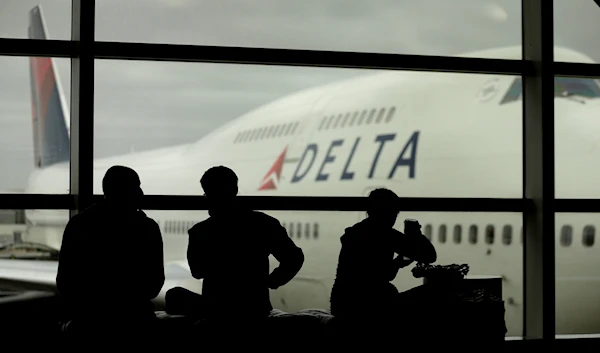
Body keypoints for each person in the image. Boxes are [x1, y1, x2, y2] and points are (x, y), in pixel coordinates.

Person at [179, 165, 304, 330]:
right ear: (235, 189)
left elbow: (197, 271)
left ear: (207, 194)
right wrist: (271, 281)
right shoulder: (263, 223)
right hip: (255, 309)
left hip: (217, 312)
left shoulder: (200, 231)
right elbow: (294, 258)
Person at [56, 165, 165, 342]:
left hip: (90, 322)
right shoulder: (147, 228)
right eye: (136, 187)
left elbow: (65, 283)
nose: (141, 193)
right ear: (123, 191)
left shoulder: (79, 224)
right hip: (136, 321)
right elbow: (154, 285)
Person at [329, 188, 436, 323]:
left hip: (343, 303)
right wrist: (416, 234)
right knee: (431, 294)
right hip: (371, 304)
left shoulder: (357, 231)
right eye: (392, 212)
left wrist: (401, 259)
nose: (393, 217)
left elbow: (380, 272)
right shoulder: (386, 234)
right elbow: (429, 256)